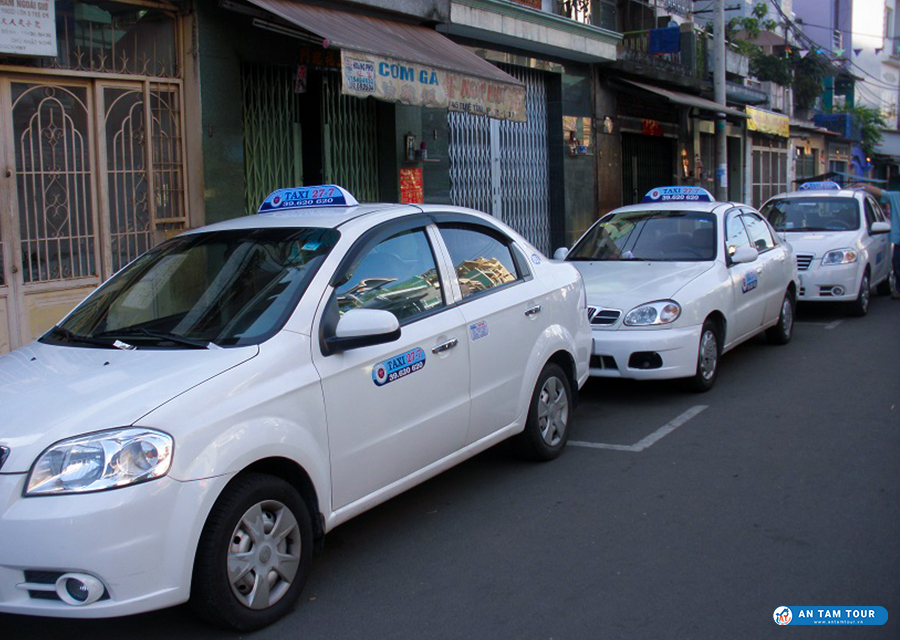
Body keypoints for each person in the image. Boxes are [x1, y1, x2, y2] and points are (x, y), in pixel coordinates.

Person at [853, 183, 900, 299]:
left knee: (898, 265)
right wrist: (863, 186)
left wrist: (863, 185)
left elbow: (880, 192)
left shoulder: (896, 197)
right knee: (897, 265)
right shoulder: (896, 197)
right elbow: (880, 192)